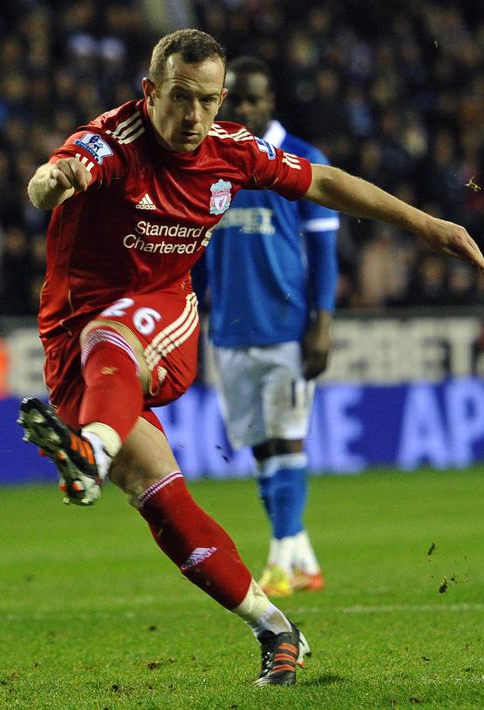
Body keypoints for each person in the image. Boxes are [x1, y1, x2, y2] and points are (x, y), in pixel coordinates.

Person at [20, 29, 483, 686]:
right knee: (157, 494)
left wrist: (429, 226)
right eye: (180, 98)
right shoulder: (111, 142)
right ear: (149, 93)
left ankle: (87, 451)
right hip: (72, 346)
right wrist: (51, 179)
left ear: (222, 99)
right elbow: (55, 177)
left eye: (208, 100)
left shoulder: (230, 151)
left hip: (159, 321)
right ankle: (274, 628)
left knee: (113, 336)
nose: (193, 116)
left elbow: (323, 181)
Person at [198, 56, 336, 598]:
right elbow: (201, 253)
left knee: (288, 440)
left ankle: (279, 560)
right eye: (236, 100)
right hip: (229, 330)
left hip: (285, 328)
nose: (245, 109)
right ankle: (302, 558)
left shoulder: (301, 159)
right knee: (260, 448)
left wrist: (321, 324)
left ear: (271, 100)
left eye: (254, 99)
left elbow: (324, 254)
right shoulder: (212, 160)